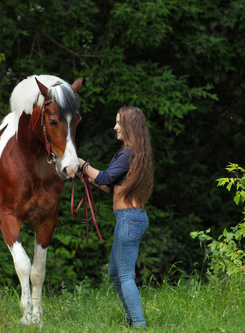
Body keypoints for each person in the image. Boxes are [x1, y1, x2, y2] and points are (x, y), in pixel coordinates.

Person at [78, 106, 154, 328]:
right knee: (115, 273)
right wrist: (86, 176)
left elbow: (105, 177)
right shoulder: (136, 155)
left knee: (125, 276)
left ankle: (138, 324)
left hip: (128, 219)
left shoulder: (128, 153)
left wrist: (83, 164)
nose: (115, 127)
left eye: (119, 122)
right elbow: (110, 186)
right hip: (132, 217)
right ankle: (132, 318)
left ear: (130, 126)